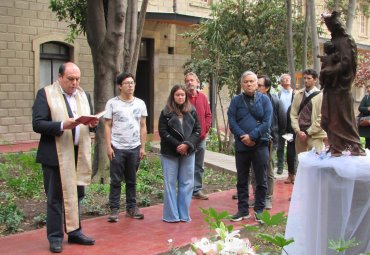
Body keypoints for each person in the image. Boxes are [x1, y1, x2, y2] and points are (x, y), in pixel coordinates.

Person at [32, 62, 97, 253]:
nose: (74, 83)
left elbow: (90, 125)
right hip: (55, 156)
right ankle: (55, 237)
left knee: (77, 195)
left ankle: (75, 232)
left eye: (77, 79)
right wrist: (61, 125)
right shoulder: (45, 94)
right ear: (59, 77)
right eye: (70, 79)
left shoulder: (84, 96)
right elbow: (37, 124)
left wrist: (93, 124)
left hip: (78, 155)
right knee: (55, 198)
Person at [227, 71, 272, 223]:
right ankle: (243, 209)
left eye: (252, 81)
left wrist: (252, 136)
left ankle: (259, 210)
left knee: (261, 179)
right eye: (246, 81)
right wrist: (243, 137)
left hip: (260, 145)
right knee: (242, 179)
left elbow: (267, 122)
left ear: (257, 84)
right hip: (242, 146)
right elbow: (232, 121)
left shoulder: (264, 100)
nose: (249, 84)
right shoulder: (236, 101)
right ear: (242, 84)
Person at [104, 72, 147, 222]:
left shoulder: (140, 103)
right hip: (117, 147)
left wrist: (143, 147)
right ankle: (114, 209)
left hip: (134, 147)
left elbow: (143, 126)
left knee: (132, 179)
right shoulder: (112, 103)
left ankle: (131, 207)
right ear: (120, 86)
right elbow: (107, 125)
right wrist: (108, 146)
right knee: (115, 180)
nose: (130, 85)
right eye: (127, 83)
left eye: (132, 83)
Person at [158, 85, 201, 223]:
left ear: (186, 96)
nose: (180, 97)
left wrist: (188, 144)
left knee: (187, 183)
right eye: (177, 95)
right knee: (170, 183)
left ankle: (183, 214)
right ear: (173, 96)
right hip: (170, 152)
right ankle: (171, 216)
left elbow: (197, 130)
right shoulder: (165, 112)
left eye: (183, 95)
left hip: (188, 152)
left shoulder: (192, 111)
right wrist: (178, 145)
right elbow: (163, 132)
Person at [254, 75, 286, 209]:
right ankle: (257, 197)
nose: (256, 87)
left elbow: (283, 121)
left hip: (270, 140)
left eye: (259, 85)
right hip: (253, 139)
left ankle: (268, 197)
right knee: (254, 170)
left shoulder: (275, 101)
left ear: (266, 88)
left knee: (268, 168)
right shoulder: (251, 100)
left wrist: (276, 136)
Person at [184, 72, 212, 200]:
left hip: (201, 138)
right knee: (186, 165)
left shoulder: (203, 97)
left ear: (197, 82)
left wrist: (206, 130)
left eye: (192, 80)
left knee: (199, 166)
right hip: (187, 139)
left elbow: (208, 115)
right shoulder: (183, 98)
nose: (190, 82)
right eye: (187, 81)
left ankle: (197, 190)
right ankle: (187, 190)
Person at [290, 69, 326, 154]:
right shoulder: (298, 94)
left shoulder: (321, 96)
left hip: (315, 135)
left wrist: (308, 132)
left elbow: (322, 117)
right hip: (300, 134)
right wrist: (298, 131)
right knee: (301, 162)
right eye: (304, 78)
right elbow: (293, 114)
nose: (306, 80)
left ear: (315, 79)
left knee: (315, 163)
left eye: (309, 78)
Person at [276, 74, 294, 175]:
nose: (286, 81)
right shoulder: (278, 94)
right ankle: (280, 166)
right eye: (284, 79)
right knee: (280, 146)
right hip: (281, 123)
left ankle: (292, 168)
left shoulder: (295, 93)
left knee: (291, 147)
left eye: (288, 79)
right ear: (281, 83)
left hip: (291, 124)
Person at [358, 84, 370, 150]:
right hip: (368, 123)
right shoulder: (366, 97)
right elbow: (360, 108)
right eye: (367, 89)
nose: (368, 90)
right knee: (368, 142)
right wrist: (367, 108)